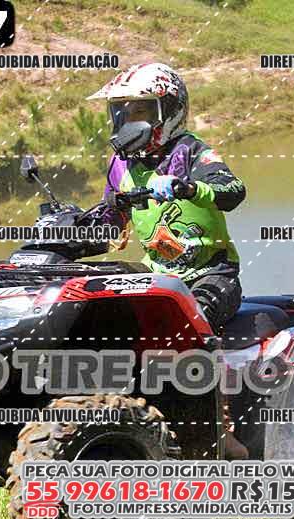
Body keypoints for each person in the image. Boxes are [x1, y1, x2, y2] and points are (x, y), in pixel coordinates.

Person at [88, 62, 248, 459]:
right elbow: (110, 220)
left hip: (211, 274)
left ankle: (223, 434)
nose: (129, 120)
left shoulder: (190, 151)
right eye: (122, 111)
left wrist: (188, 188)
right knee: (104, 315)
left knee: (192, 327)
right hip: (158, 276)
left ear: (169, 110)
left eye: (140, 110)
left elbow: (233, 190)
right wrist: (72, 226)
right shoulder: (121, 166)